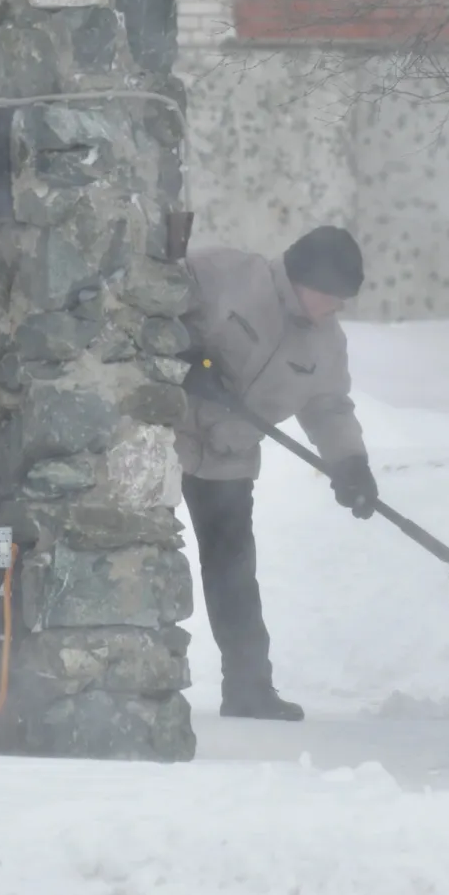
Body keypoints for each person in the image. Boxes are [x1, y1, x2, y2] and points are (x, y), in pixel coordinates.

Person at [174, 226, 379, 721]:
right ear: (302, 277)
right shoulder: (227, 275)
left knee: (234, 573)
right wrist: (187, 359)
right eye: (330, 295)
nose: (335, 307)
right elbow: (154, 300)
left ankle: (248, 689)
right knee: (143, 552)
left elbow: (329, 408)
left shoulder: (326, 345)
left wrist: (351, 464)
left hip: (228, 456)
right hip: (166, 435)